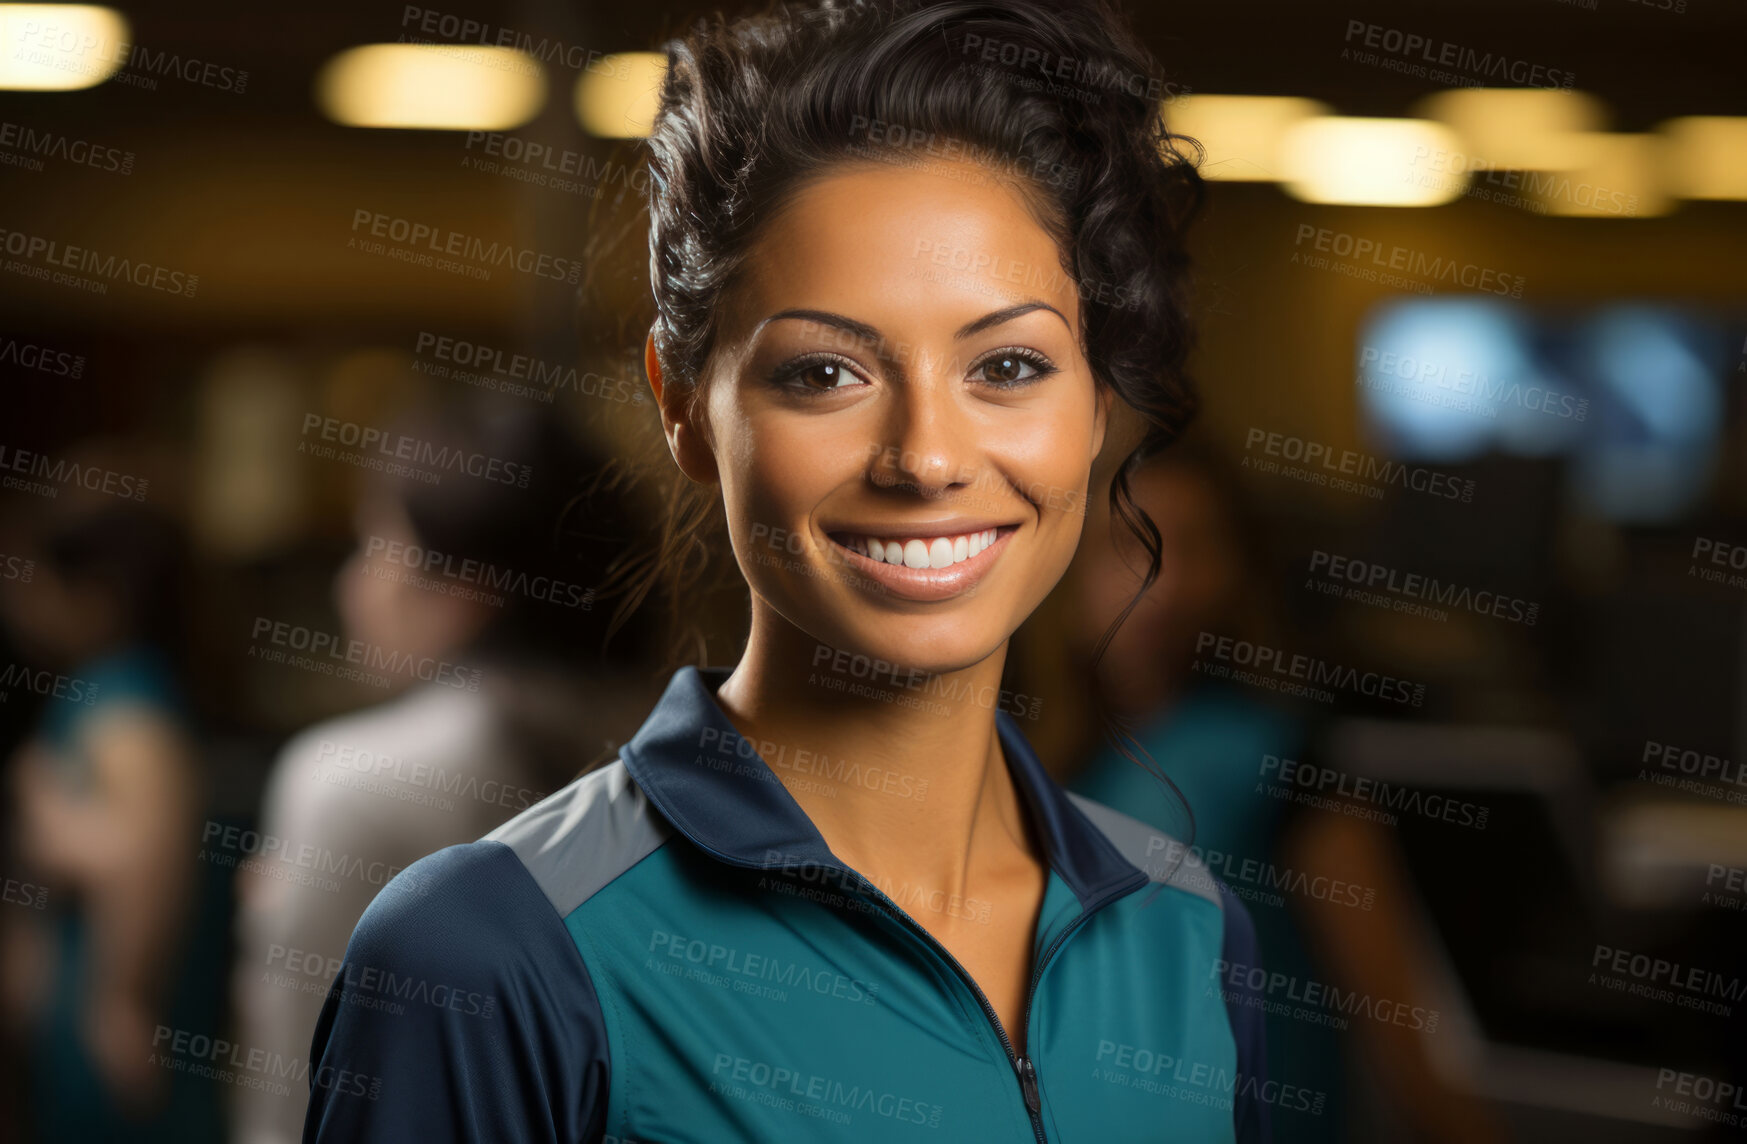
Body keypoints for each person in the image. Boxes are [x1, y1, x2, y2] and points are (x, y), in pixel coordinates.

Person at [306, 2, 1274, 1141]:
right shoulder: (489, 954)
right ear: (683, 405)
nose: (925, 456)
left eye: (1007, 364)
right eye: (823, 373)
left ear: (1097, 401)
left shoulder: (1187, 933)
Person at [231, 407, 657, 1144]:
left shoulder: (350, 781)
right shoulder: (684, 757)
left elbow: (292, 1097)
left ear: (461, 589)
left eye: (377, 544)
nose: (351, 585)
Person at [0, 492, 227, 1144]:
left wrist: (119, 1001)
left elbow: (146, 855)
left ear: (93, 592)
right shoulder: (114, 686)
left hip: (108, 1010)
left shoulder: (123, 696)